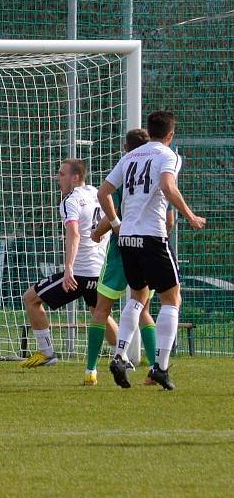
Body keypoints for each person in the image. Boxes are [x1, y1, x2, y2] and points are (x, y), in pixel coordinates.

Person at [98, 110, 206, 390]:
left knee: (137, 297)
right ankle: (161, 366)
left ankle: (120, 356)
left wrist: (116, 223)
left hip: (128, 239)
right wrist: (190, 215)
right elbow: (168, 187)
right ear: (170, 134)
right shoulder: (167, 155)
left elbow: (103, 192)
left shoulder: (129, 156)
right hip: (151, 236)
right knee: (172, 299)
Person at [87, 128, 175, 387]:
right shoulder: (158, 165)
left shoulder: (126, 167)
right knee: (144, 305)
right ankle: (153, 364)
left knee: (102, 309)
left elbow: (107, 204)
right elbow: (168, 217)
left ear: (127, 148)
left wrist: (101, 231)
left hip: (120, 249)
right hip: (150, 242)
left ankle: (92, 369)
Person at [20, 158, 111, 369]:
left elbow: (74, 233)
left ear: (75, 177)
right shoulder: (95, 193)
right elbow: (109, 219)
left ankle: (47, 352)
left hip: (79, 272)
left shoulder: (69, 200)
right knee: (100, 313)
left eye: (61, 174)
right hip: (99, 269)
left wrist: (69, 268)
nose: (57, 178)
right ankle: (122, 356)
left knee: (31, 298)